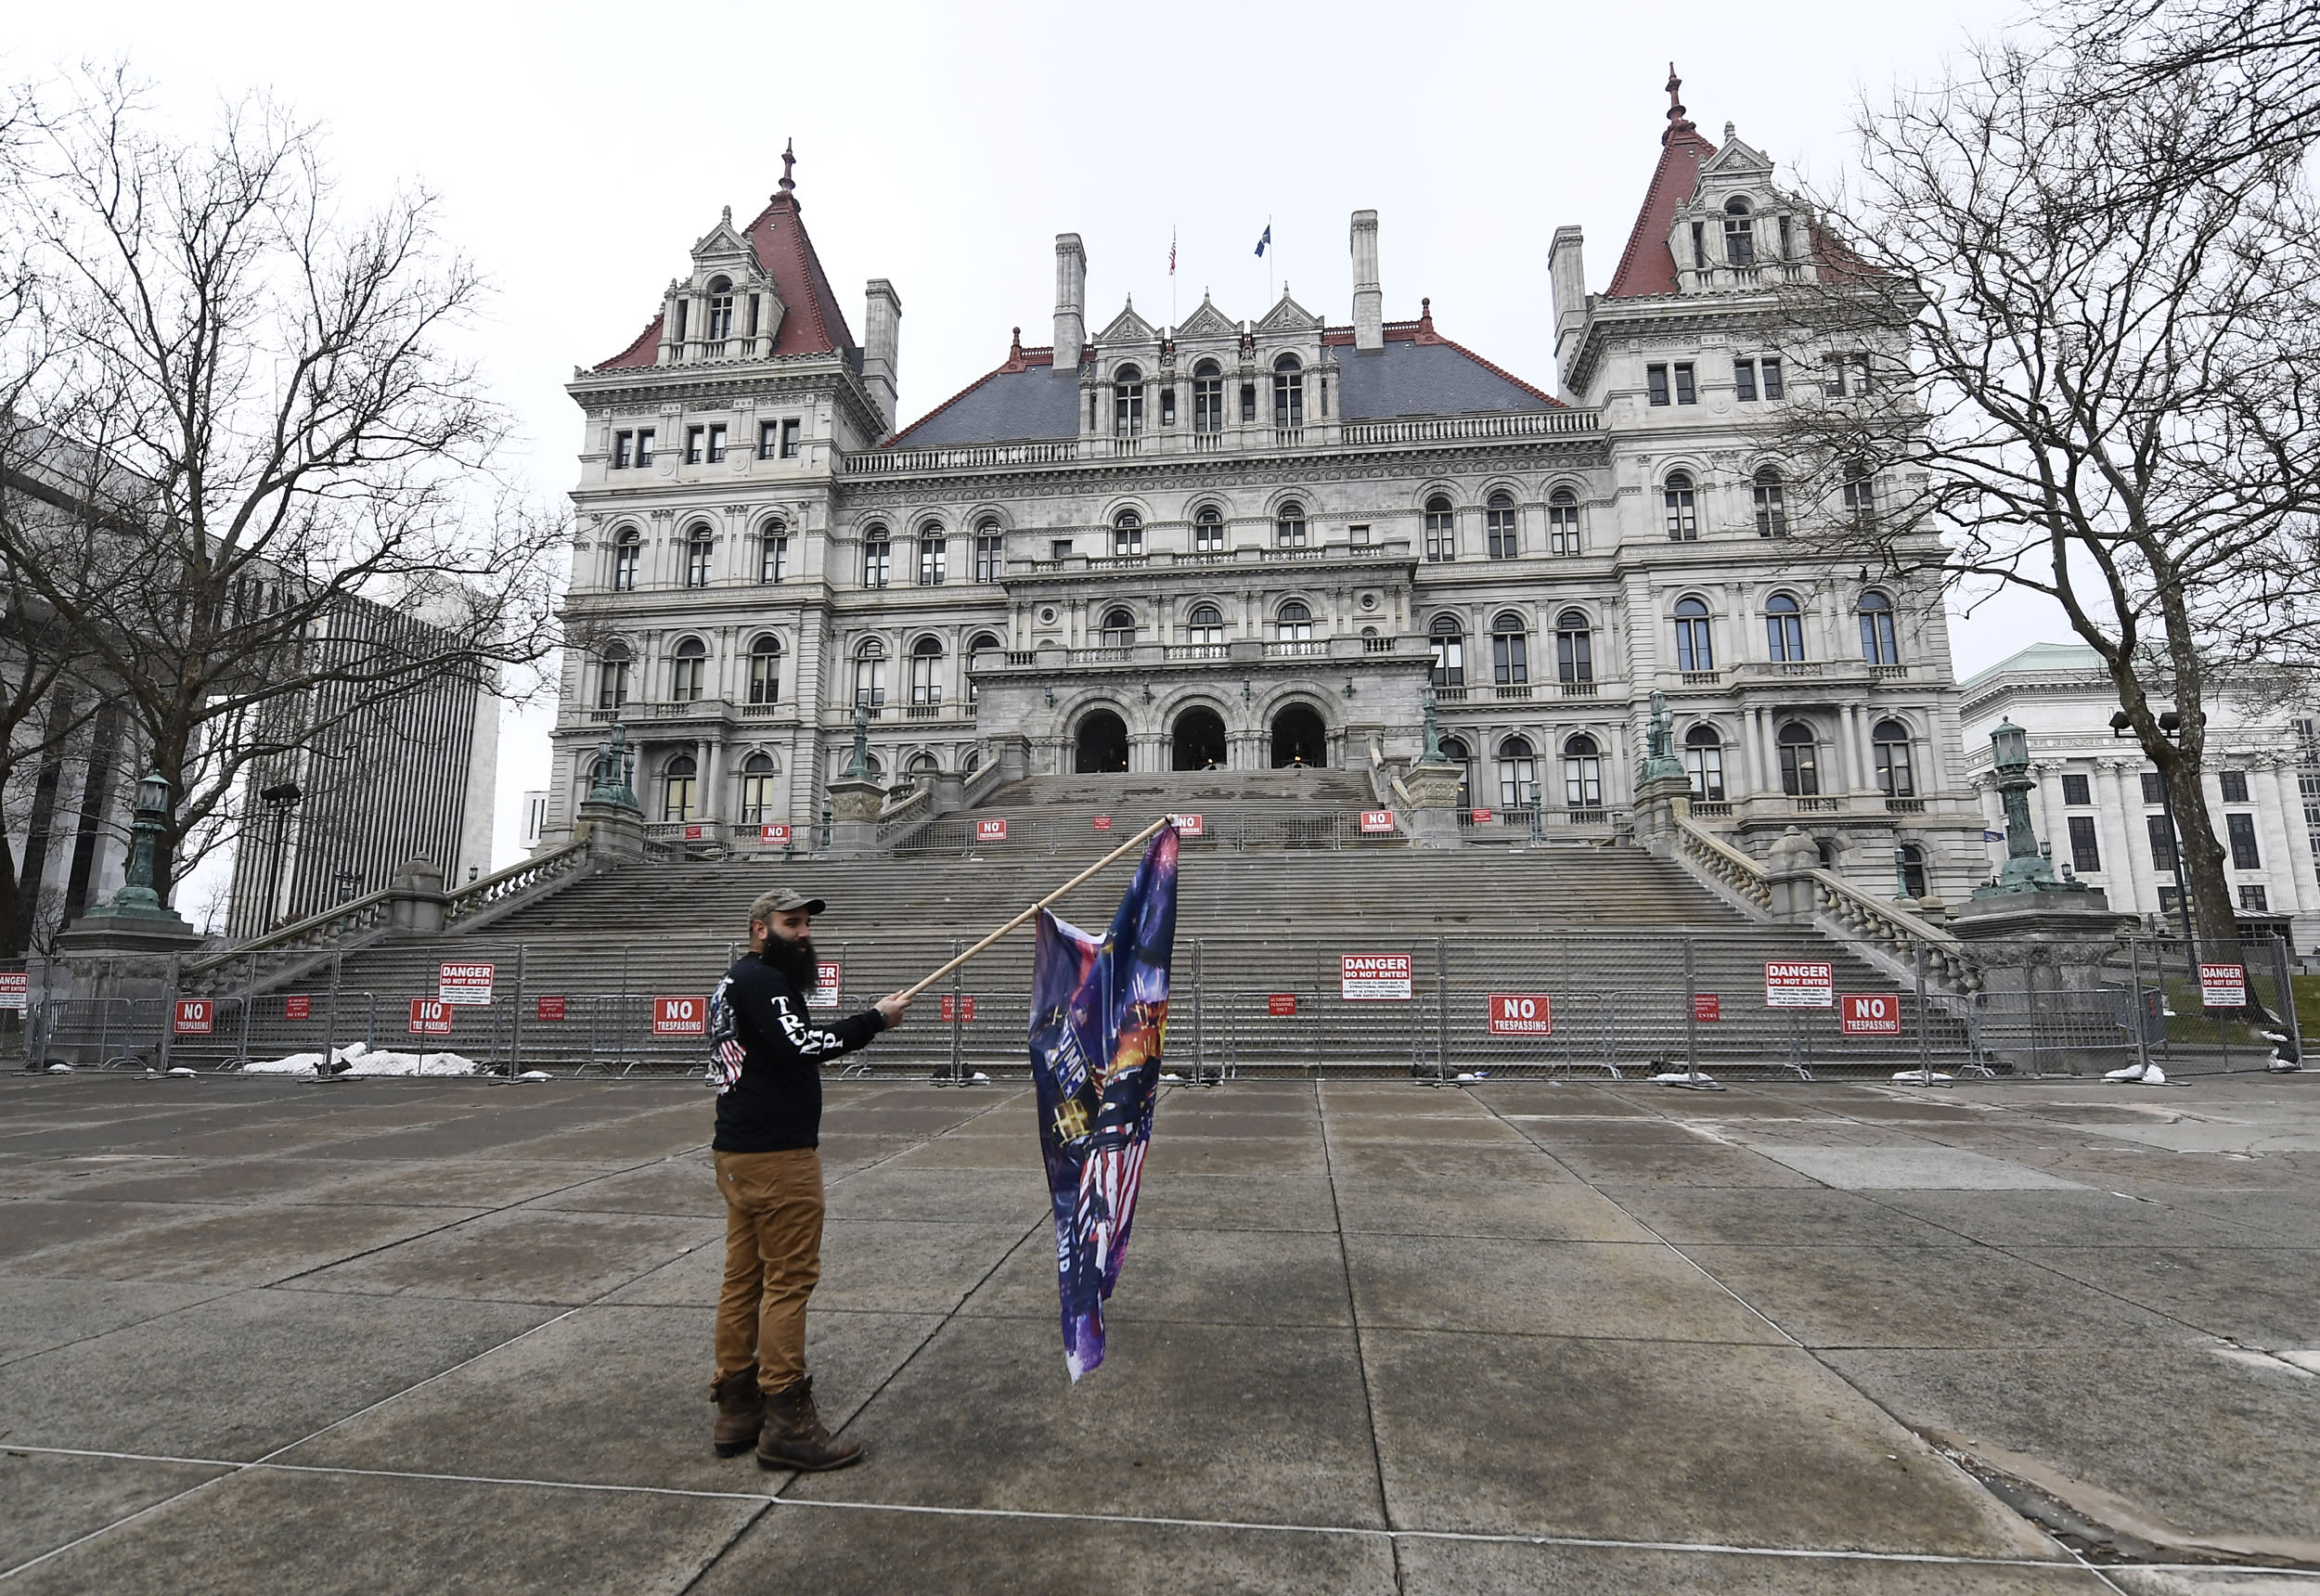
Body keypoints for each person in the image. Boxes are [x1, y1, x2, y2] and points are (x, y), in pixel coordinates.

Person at [706, 885, 909, 1471]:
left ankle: (738, 1405)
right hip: (777, 1157)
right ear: (758, 929)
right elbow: (804, 1044)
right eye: (790, 924)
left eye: (805, 925)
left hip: (738, 1151)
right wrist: (874, 1020)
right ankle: (788, 1421)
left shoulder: (732, 983)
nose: (803, 934)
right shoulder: (763, 983)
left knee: (743, 1279)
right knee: (789, 1282)